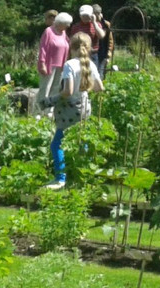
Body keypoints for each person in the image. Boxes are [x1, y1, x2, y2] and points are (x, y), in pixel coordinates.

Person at [46, 32, 104, 190]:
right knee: (81, 141)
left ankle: (60, 179)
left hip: (70, 110)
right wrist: (85, 87)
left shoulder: (70, 65)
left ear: (71, 47)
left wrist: (51, 100)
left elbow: (68, 91)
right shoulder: (90, 64)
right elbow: (100, 88)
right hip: (85, 107)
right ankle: (80, 176)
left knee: (57, 144)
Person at [38, 12, 72, 112]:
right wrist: (42, 63)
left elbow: (66, 46)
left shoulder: (63, 32)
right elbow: (43, 48)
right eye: (67, 24)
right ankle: (40, 111)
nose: (68, 26)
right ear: (60, 23)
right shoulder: (48, 31)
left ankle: (50, 111)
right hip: (49, 64)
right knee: (45, 88)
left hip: (60, 65)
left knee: (55, 88)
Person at [92, 5, 113, 74]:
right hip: (93, 51)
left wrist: (109, 53)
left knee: (101, 73)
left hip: (103, 52)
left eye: (96, 13)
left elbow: (110, 40)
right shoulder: (89, 23)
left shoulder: (106, 24)